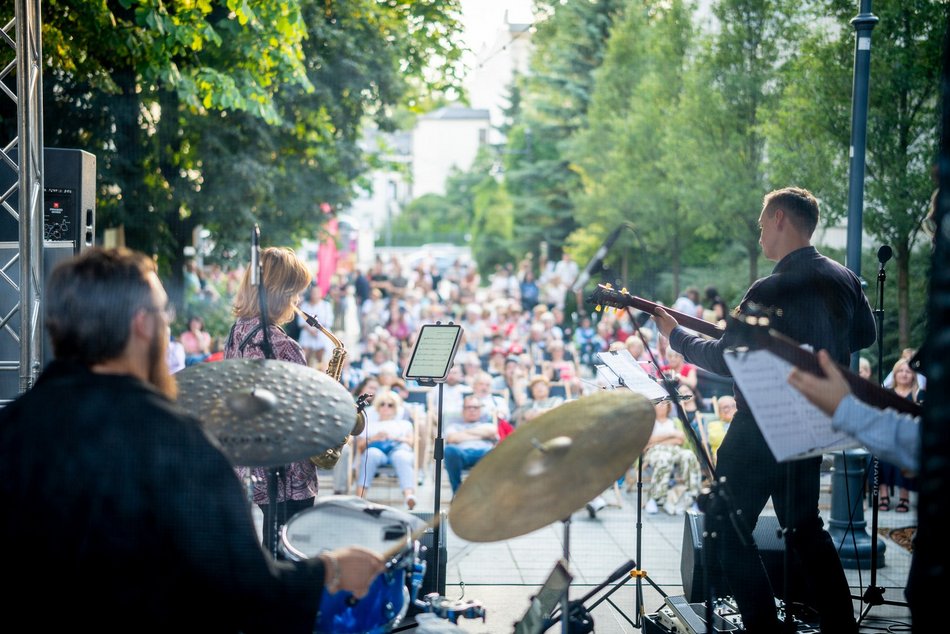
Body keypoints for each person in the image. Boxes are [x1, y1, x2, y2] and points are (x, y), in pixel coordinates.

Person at [0, 247, 383, 632]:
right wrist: (330, 570)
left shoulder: (11, 429)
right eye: (164, 313)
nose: (168, 325)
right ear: (141, 325)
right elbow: (246, 591)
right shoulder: (179, 444)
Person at [653, 187, 874, 633]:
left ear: (779, 219)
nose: (759, 237)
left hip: (761, 428)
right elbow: (865, 335)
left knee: (727, 528)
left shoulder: (771, 287)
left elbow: (724, 358)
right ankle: (840, 625)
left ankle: (761, 626)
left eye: (760, 226)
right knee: (803, 528)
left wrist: (675, 336)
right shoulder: (844, 278)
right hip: (812, 422)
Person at [224, 246, 321, 556]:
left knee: (273, 541)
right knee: (293, 547)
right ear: (281, 292)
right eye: (295, 292)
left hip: (254, 460)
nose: (297, 301)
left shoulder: (239, 331)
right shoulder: (281, 343)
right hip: (288, 469)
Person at [354, 390, 418, 509]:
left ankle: (409, 496)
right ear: (377, 406)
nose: (386, 407)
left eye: (390, 405)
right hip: (376, 450)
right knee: (370, 455)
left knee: (402, 457)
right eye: (382, 404)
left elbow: (411, 443)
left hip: (398, 449)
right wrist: (374, 438)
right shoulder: (369, 424)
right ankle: (360, 497)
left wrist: (395, 437)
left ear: (396, 408)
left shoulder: (404, 424)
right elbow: (360, 446)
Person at [642, 400, 703, 516]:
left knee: (689, 455)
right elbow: (646, 441)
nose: (662, 406)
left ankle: (693, 497)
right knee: (664, 458)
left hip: (674, 450)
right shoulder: (649, 422)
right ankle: (654, 498)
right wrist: (671, 434)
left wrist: (658, 440)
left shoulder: (674, 421)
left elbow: (680, 439)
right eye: (659, 404)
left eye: (665, 404)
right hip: (655, 451)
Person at [444, 395, 499, 494]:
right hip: (461, 454)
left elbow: (492, 432)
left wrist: (463, 434)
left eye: (475, 407)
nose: (472, 410)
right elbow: (452, 438)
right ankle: (458, 493)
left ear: (480, 410)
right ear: (463, 410)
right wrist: (482, 435)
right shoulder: (454, 426)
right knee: (449, 450)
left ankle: (483, 493)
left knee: (493, 452)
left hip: (483, 453)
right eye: (468, 407)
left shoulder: (487, 425)